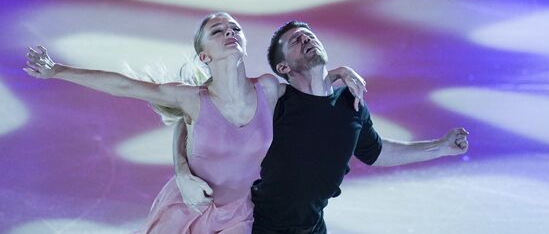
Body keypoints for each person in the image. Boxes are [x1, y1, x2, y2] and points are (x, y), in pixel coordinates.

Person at [24, 12, 366, 234]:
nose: (230, 32)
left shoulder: (269, 88)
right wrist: (58, 71)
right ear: (204, 56)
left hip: (238, 216)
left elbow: (309, 81)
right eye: (218, 31)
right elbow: (124, 85)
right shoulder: (191, 99)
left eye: (235, 29)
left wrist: (338, 71)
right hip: (185, 210)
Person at [250, 21, 470, 234]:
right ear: (283, 67)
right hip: (259, 226)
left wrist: (441, 147)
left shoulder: (350, 103)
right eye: (295, 40)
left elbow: (378, 151)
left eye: (309, 35)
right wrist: (338, 72)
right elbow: (230, 96)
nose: (305, 38)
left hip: (313, 226)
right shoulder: (277, 101)